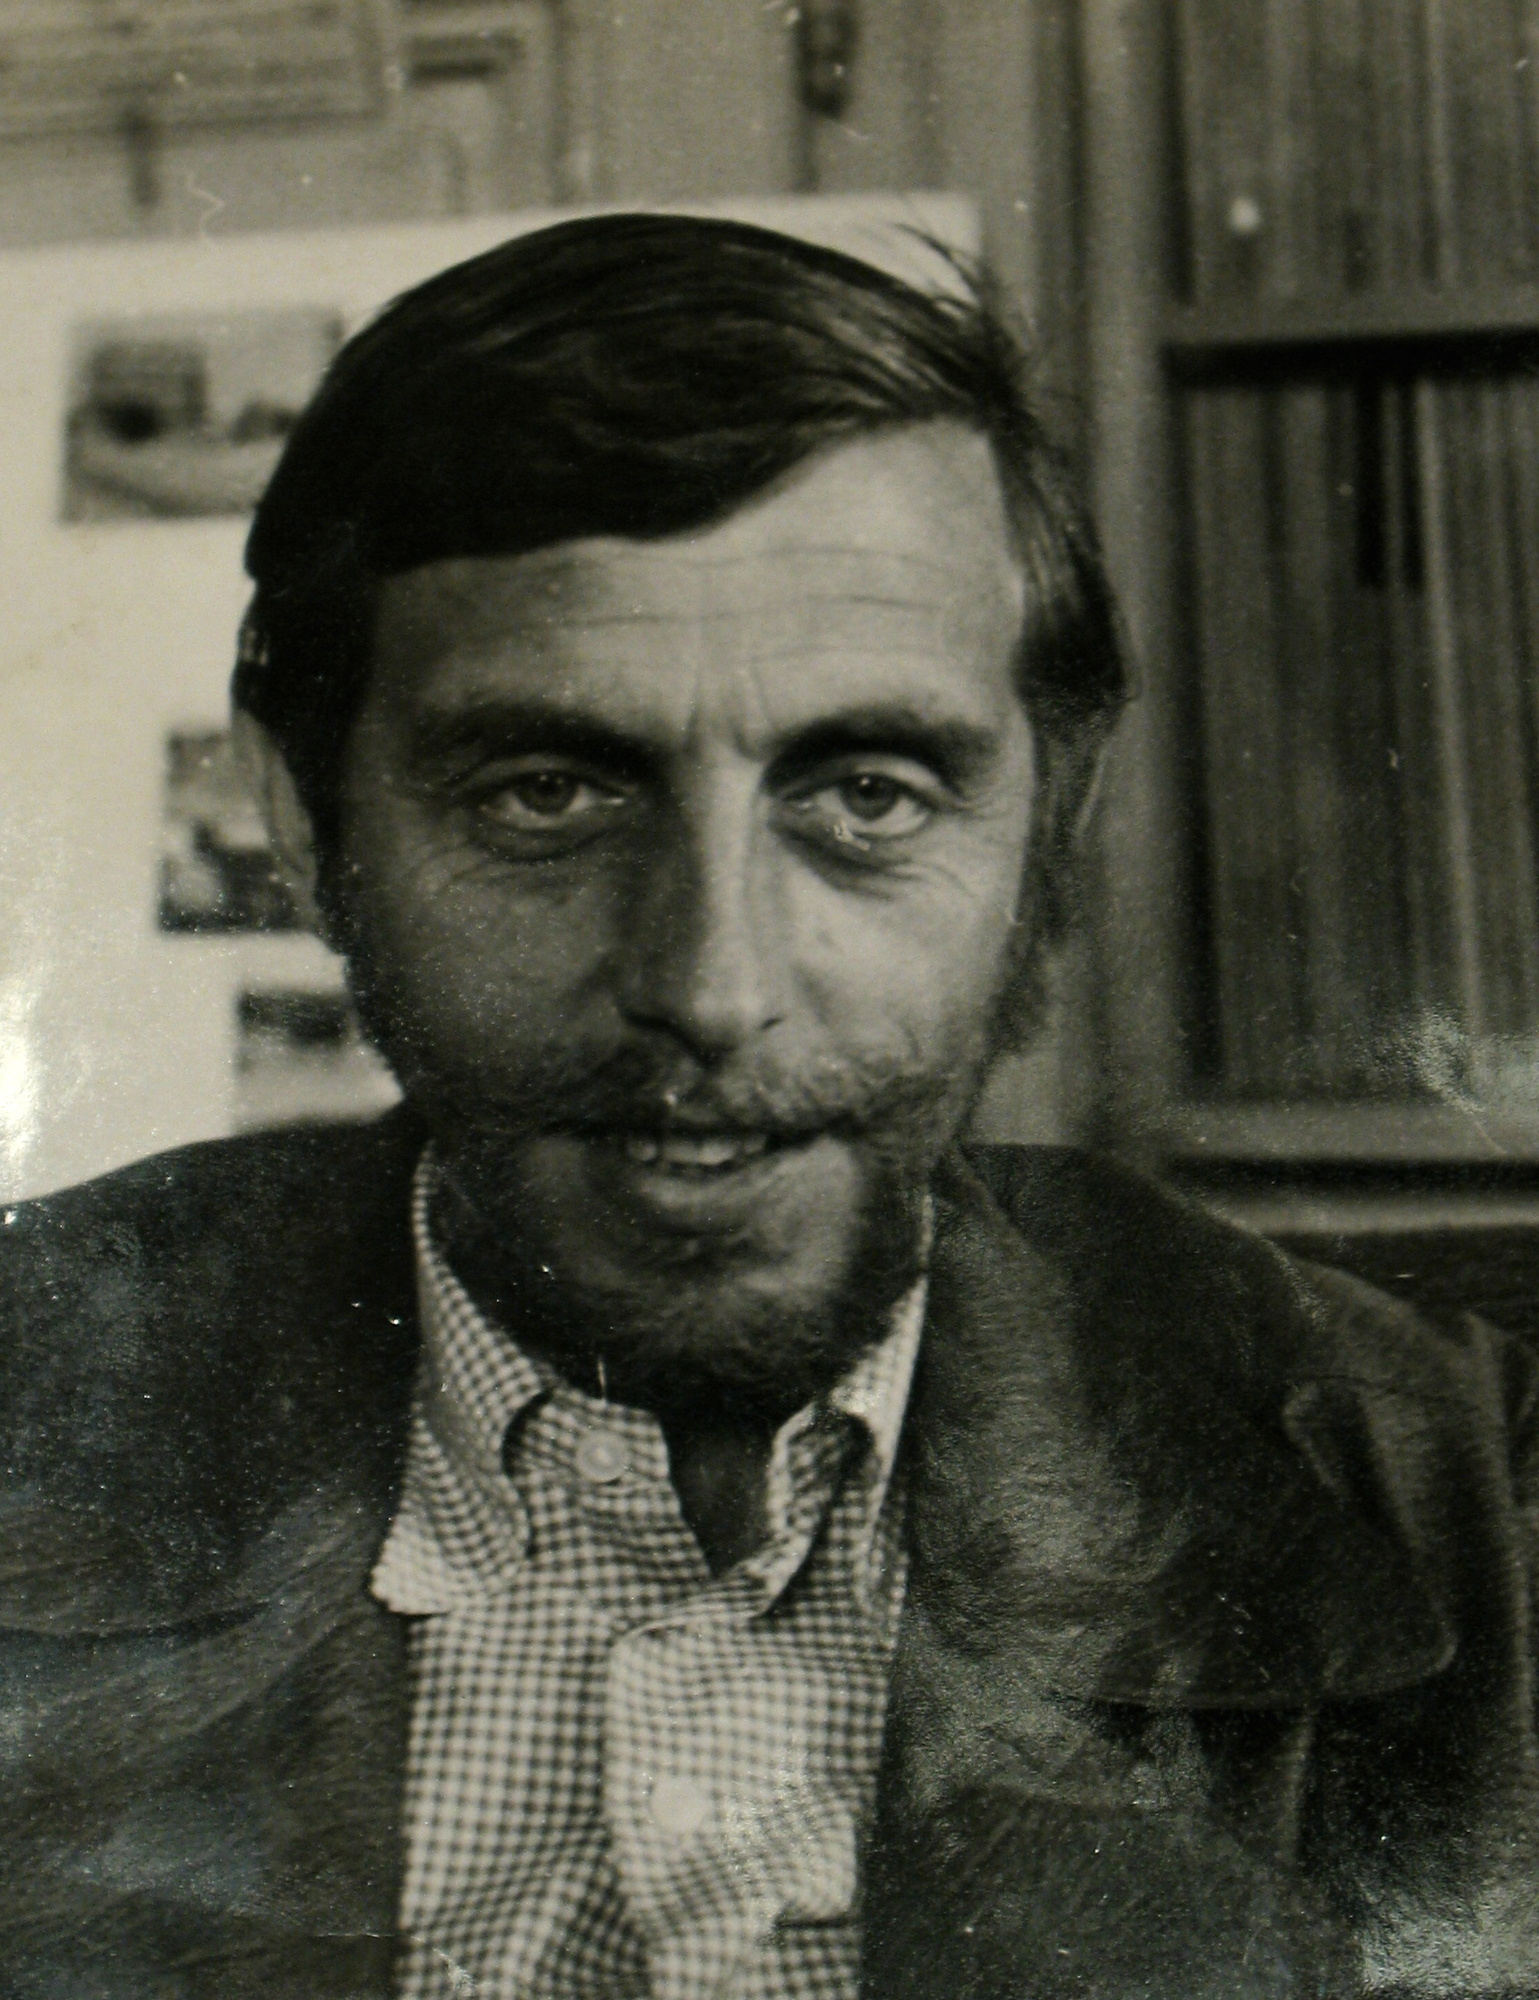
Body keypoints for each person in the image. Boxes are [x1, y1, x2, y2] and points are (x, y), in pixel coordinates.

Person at [0, 213, 1535, 2000]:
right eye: (547, 793)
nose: (715, 984)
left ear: (1055, 820)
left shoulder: (1485, 1518)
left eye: (868, 795)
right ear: (302, 817)